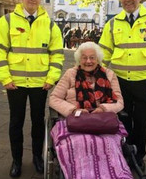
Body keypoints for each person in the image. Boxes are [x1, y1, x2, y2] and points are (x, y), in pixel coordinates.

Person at [99, 0, 146, 171]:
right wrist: (99, 75)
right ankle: (126, 152)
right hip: (119, 81)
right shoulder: (112, 23)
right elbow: (104, 52)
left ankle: (139, 155)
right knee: (123, 119)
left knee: (142, 121)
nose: (128, 0)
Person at [0, 0, 64, 177]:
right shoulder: (6, 21)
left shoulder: (50, 24)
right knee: (16, 122)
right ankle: (16, 160)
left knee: (38, 121)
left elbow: (57, 54)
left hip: (41, 83)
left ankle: (37, 157)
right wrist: (4, 78)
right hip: (15, 83)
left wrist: (52, 78)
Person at [49, 42, 133, 179]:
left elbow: (119, 102)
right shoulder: (70, 74)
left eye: (92, 57)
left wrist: (103, 108)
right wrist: (73, 110)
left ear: (98, 59)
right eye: (84, 58)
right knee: (80, 144)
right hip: (75, 121)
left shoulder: (109, 75)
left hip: (102, 122)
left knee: (108, 145)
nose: (88, 61)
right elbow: (54, 99)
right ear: (79, 60)